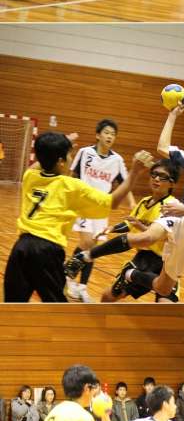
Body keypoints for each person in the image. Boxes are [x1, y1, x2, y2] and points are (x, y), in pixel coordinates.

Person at [82, 107, 184, 302]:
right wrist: (172, 115)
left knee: (163, 288)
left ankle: (130, 274)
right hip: (178, 215)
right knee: (147, 237)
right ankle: (87, 256)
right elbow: (162, 147)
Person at [3, 131, 142, 302]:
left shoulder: (29, 176)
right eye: (69, 154)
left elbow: (37, 164)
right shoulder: (72, 186)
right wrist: (135, 173)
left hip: (21, 247)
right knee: (57, 307)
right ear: (61, 161)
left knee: (13, 304)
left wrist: (54, 147)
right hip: (47, 250)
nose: (71, 158)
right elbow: (112, 202)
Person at [64, 156, 180, 302]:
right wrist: (112, 228)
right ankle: (128, 274)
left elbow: (152, 236)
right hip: (143, 259)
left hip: (165, 263)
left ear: (172, 183)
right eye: (154, 174)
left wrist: (140, 225)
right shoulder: (144, 202)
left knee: (166, 307)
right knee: (107, 297)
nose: (156, 179)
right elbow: (129, 223)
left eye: (162, 176)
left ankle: (124, 271)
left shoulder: (172, 206)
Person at [66, 119, 135, 303]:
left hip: (102, 208)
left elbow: (126, 184)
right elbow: (72, 176)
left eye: (113, 134)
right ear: (98, 135)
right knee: (87, 242)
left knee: (92, 249)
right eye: (106, 132)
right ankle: (69, 278)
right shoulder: (85, 152)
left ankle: (81, 285)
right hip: (83, 204)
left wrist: (133, 206)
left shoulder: (117, 160)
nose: (109, 136)